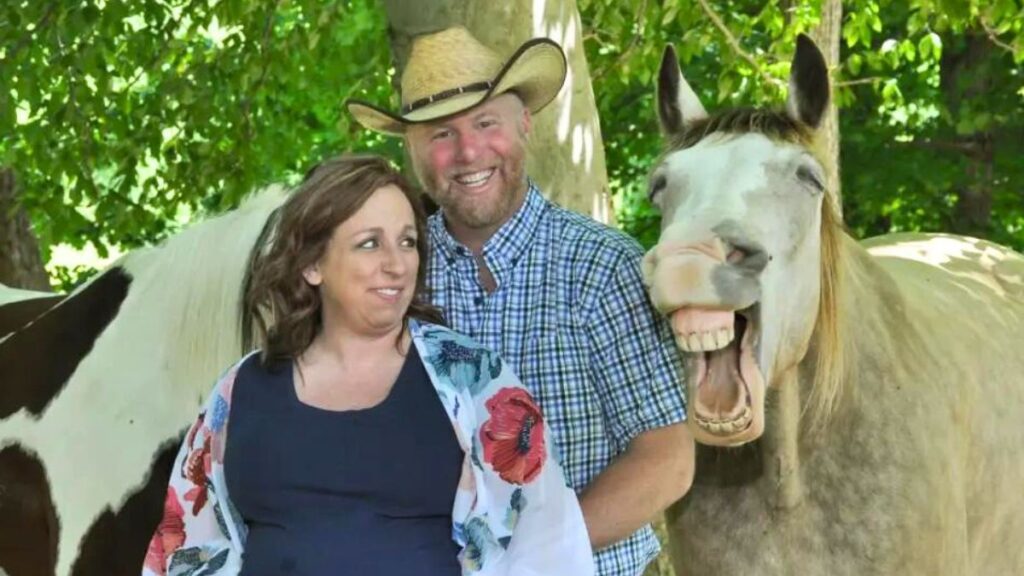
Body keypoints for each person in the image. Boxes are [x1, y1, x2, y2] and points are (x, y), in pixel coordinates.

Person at [347, 28, 695, 576]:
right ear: (410, 150)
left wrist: (531, 558)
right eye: (440, 134)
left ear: (524, 123)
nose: (468, 152)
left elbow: (667, 458)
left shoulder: (601, 267)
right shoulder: (395, 283)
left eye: (486, 123)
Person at [141, 155, 594, 576]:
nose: (396, 264)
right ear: (312, 264)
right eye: (369, 243)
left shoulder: (473, 381)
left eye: (408, 242)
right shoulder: (240, 391)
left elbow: (548, 542)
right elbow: (187, 552)